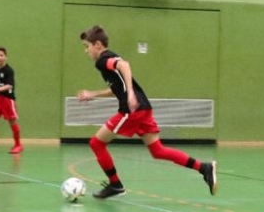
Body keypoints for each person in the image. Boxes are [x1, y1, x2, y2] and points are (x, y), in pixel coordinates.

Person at [76, 25, 217, 199]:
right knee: (158, 151)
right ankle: (204, 168)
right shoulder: (109, 57)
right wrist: (93, 94)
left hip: (131, 110)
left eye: (87, 46)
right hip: (143, 108)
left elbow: (124, 66)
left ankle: (115, 185)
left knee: (96, 143)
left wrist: (130, 94)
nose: (86, 51)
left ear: (98, 45)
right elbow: (117, 87)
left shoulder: (102, 60)